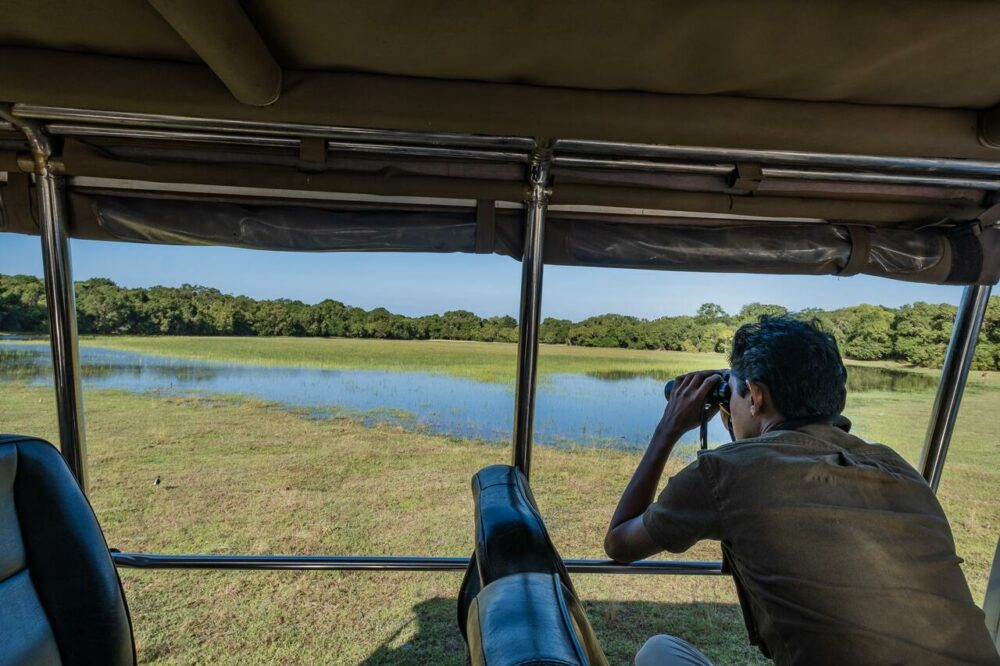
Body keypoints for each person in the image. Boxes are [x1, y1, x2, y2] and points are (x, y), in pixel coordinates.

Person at [604, 316, 1000, 666]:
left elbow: (620, 542)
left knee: (658, 652)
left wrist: (668, 427)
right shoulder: (897, 468)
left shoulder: (727, 471)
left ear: (756, 397)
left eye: (735, 391)